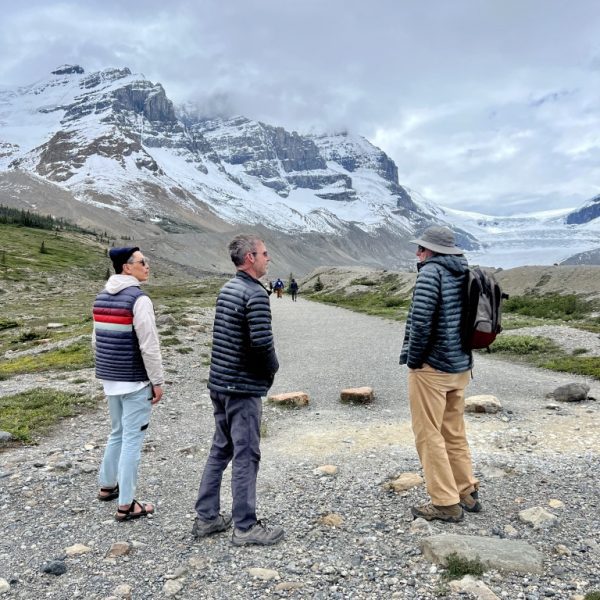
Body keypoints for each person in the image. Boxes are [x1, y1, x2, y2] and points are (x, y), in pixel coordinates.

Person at [193, 234, 284, 546]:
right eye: (264, 253)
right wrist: (273, 369)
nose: (267, 258)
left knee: (221, 448)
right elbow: (261, 344)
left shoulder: (228, 288)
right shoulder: (255, 295)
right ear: (250, 258)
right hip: (241, 388)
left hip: (219, 383)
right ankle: (245, 526)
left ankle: (207, 517)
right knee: (246, 454)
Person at [399, 226, 480, 523]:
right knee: (454, 432)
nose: (417, 253)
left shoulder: (431, 273)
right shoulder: (463, 271)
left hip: (433, 368)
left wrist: (415, 360)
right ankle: (466, 490)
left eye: (420, 249)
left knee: (428, 434)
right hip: (460, 366)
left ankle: (445, 503)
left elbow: (421, 322)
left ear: (431, 251)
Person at [93, 247, 164, 521]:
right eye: (142, 262)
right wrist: (157, 380)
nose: (147, 266)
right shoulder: (139, 299)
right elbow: (149, 345)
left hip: (110, 378)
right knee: (132, 438)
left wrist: (106, 370)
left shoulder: (100, 298)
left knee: (117, 432)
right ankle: (126, 504)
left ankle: (107, 485)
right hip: (134, 380)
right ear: (126, 267)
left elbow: (97, 341)